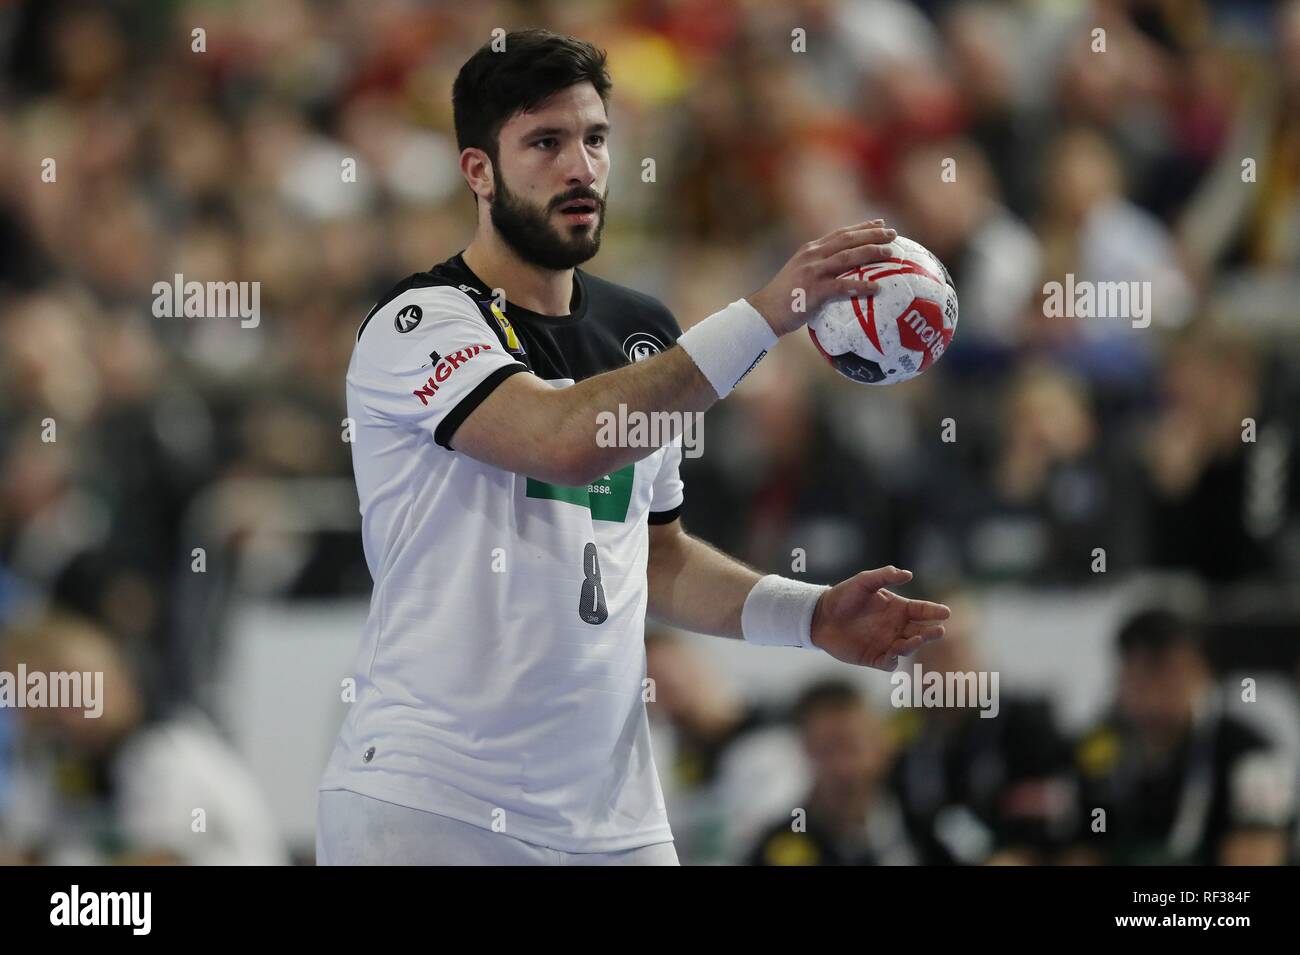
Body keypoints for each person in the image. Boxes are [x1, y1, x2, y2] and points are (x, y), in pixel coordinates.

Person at [316, 29, 950, 866]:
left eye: (596, 138)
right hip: (430, 799)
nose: (580, 167)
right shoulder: (418, 322)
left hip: (614, 817)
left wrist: (813, 615)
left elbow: (652, 558)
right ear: (478, 171)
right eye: (545, 142)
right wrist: (763, 316)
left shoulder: (643, 331)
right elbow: (565, 440)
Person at [0, 612, 287, 865]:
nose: (69, 712)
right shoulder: (56, 759)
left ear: (120, 679)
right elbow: (26, 850)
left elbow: (157, 860)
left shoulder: (170, 749)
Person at [1066, 608, 1296, 865]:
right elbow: (1082, 848)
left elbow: (1258, 855)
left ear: (1202, 674)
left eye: (1166, 675)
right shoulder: (1096, 748)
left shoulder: (1253, 754)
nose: (1150, 693)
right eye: (1136, 676)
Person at [746, 680, 917, 866]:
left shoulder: (919, 830)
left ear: (883, 747)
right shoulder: (778, 847)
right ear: (805, 750)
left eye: (852, 747)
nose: (841, 766)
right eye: (826, 749)